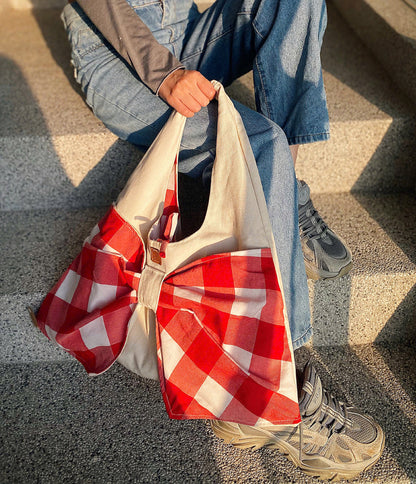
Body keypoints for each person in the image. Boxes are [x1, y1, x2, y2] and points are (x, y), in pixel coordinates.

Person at [60, 0, 383, 480]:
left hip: (187, 29)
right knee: (259, 143)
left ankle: (282, 194)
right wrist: (164, 73)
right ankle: (275, 382)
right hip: (117, 51)